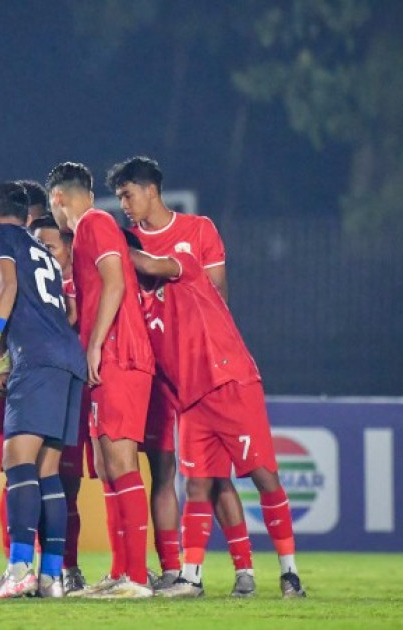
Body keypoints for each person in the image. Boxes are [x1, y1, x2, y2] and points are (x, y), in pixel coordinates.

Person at [107, 155, 256, 596]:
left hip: (200, 373)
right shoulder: (126, 238)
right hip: (151, 373)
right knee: (160, 469)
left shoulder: (199, 230)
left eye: (128, 195)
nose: (125, 205)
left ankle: (244, 569)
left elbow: (218, 300)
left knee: (213, 476)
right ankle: (173, 570)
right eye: (119, 199)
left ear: (150, 190)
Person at [129, 238, 308, 599]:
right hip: (192, 401)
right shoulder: (141, 309)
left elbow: (149, 265)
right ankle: (192, 578)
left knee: (264, 477)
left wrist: (110, 246)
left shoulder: (184, 268)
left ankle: (290, 574)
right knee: (198, 486)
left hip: (231, 384)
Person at [0, 182, 88, 599]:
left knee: (17, 460)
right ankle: (52, 576)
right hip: (71, 359)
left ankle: (19, 569)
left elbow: (5, 286)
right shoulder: (44, 250)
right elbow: (67, 309)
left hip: (37, 360)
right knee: (48, 470)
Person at [46, 162, 156, 598]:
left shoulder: (94, 223)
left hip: (119, 355)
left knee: (122, 464)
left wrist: (94, 345)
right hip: (107, 359)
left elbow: (115, 283)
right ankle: (120, 571)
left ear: (57, 199)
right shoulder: (89, 233)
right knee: (109, 469)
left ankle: (138, 576)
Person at [30, 216, 93, 593]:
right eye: (38, 247)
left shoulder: (82, 285)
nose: (44, 255)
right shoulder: (38, 287)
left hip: (77, 393)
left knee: (68, 485)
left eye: (50, 247)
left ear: (69, 248)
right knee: (35, 479)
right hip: (43, 387)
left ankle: (68, 566)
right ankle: (39, 566)